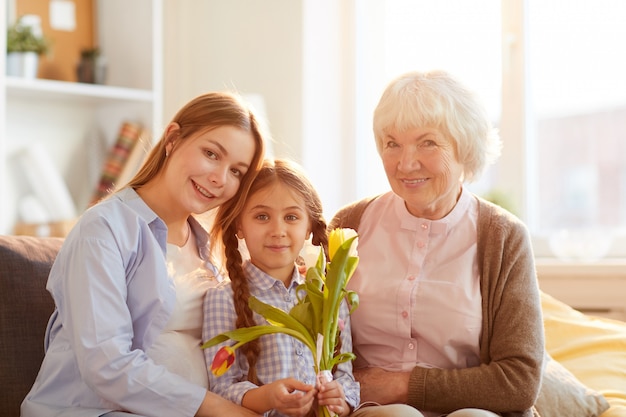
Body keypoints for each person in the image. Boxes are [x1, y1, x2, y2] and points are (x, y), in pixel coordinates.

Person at [21, 91, 266, 417]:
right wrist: (216, 408)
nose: (219, 179)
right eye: (211, 154)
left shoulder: (212, 250)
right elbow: (106, 363)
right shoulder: (104, 229)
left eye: (237, 171)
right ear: (173, 139)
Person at [329, 70, 544, 417]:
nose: (405, 162)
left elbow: (519, 381)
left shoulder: (503, 237)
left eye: (427, 142)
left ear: (465, 147)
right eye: (392, 143)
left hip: (472, 409)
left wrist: (402, 384)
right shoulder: (347, 226)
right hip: (370, 409)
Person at [203, 159, 360, 417]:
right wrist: (266, 397)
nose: (278, 230)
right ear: (239, 225)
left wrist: (340, 400)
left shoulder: (330, 296)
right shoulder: (223, 299)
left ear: (309, 226)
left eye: (291, 217)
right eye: (262, 216)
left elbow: (346, 378)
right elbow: (220, 387)